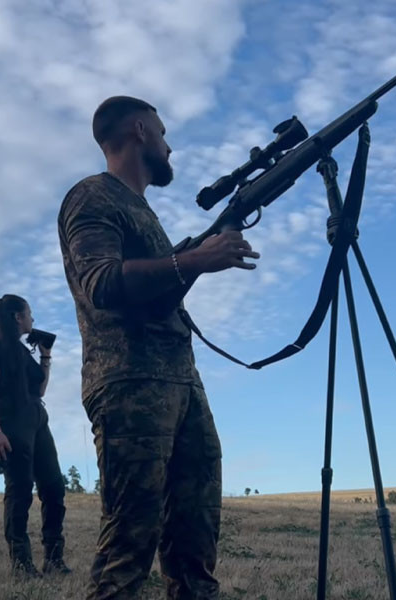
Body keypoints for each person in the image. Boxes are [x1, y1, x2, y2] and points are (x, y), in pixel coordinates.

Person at [57, 96, 261, 599]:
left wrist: (191, 258)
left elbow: (160, 290)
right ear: (141, 130)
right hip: (129, 383)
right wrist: (191, 261)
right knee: (130, 540)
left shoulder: (142, 211)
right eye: (165, 134)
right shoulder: (92, 197)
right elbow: (100, 283)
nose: (171, 147)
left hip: (181, 382)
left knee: (194, 541)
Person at [0, 294, 71, 578]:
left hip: (36, 419)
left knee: (54, 487)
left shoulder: (23, 351)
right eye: (29, 313)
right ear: (17, 317)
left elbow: (40, 390)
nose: (33, 319)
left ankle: (53, 561)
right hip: (10, 420)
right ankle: (21, 565)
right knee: (20, 492)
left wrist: (45, 355)